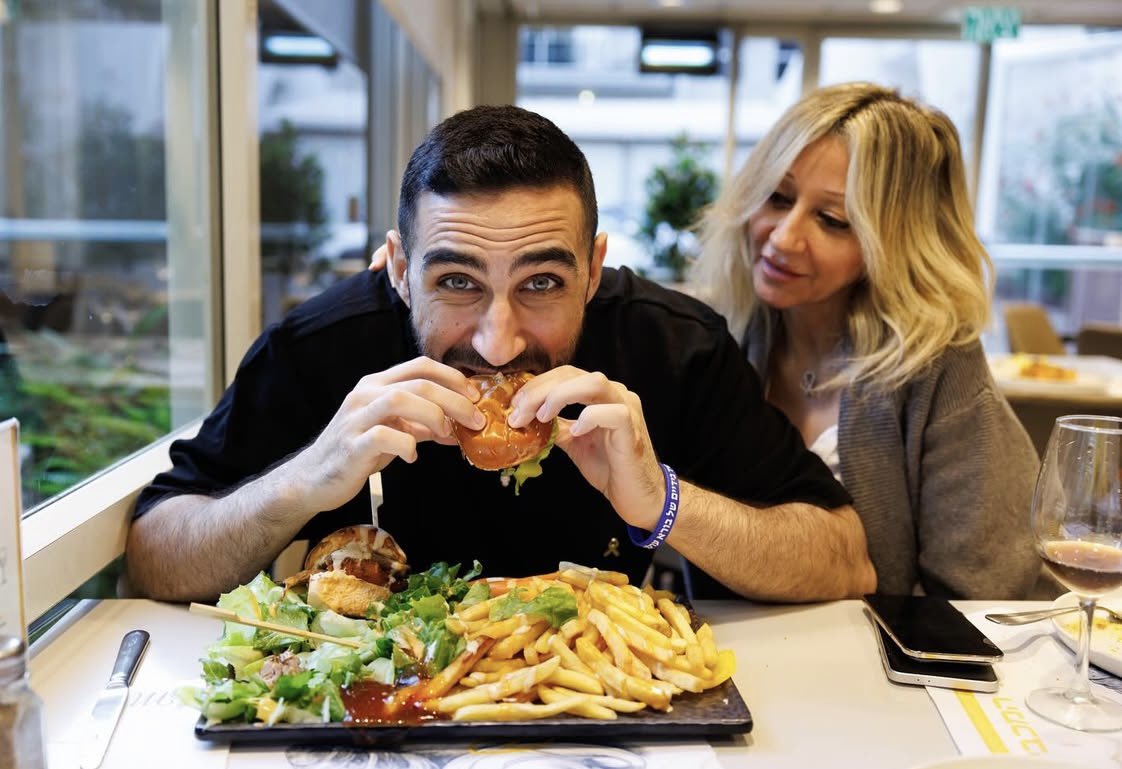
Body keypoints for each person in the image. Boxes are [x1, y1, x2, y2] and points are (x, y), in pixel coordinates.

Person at [125, 105, 875, 603]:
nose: (498, 340)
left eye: (542, 281)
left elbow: (845, 556)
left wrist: (663, 502)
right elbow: (155, 552)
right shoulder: (321, 347)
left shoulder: (673, 346)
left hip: (598, 713)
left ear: (592, 269)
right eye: (456, 281)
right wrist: (302, 483)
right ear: (397, 269)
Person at [691, 82, 1045, 599]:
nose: (784, 237)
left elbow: (986, 590)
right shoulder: (724, 336)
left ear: (894, 242)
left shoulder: (938, 367)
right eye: (778, 197)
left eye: (832, 220)